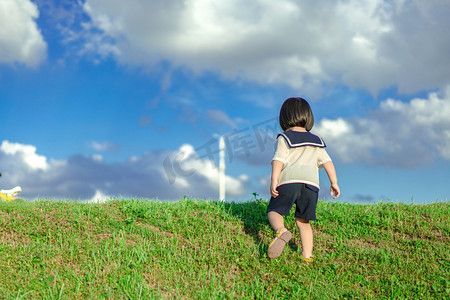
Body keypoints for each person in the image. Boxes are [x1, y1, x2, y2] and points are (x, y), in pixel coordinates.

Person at [267, 97, 340, 261]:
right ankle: (307, 256)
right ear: (308, 116)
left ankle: (282, 231)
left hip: (289, 181)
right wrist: (333, 182)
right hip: (311, 185)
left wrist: (274, 180)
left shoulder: (284, 138)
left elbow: (279, 159)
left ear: (284, 117)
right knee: (304, 222)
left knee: (274, 211)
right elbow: (328, 162)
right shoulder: (317, 141)